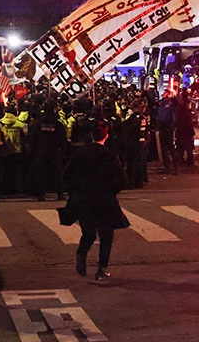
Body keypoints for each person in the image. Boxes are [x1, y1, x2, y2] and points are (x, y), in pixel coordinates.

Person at [64, 120, 129, 281]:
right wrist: (111, 191)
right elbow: (122, 179)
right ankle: (101, 268)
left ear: (91, 135)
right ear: (106, 136)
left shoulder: (79, 154)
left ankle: (82, 254)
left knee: (89, 233)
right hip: (105, 200)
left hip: (84, 200)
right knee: (106, 235)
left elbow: (67, 176)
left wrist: (76, 192)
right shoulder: (109, 155)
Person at [28, 101, 67, 201]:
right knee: (57, 173)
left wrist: (32, 150)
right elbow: (63, 139)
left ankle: (41, 194)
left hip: (41, 150)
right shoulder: (58, 124)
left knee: (41, 173)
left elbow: (33, 138)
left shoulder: (38, 123)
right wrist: (63, 151)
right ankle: (60, 193)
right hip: (54, 150)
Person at [157, 89, 179, 174]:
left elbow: (176, 105)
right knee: (164, 149)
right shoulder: (161, 103)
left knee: (170, 148)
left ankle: (175, 166)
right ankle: (167, 166)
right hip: (163, 128)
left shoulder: (170, 104)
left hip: (168, 128)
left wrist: (174, 96)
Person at [175, 89, 195, 166]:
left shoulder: (178, 109)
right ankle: (190, 162)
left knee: (181, 146)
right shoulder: (185, 110)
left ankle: (181, 160)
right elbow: (189, 122)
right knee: (188, 147)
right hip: (186, 130)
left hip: (181, 130)